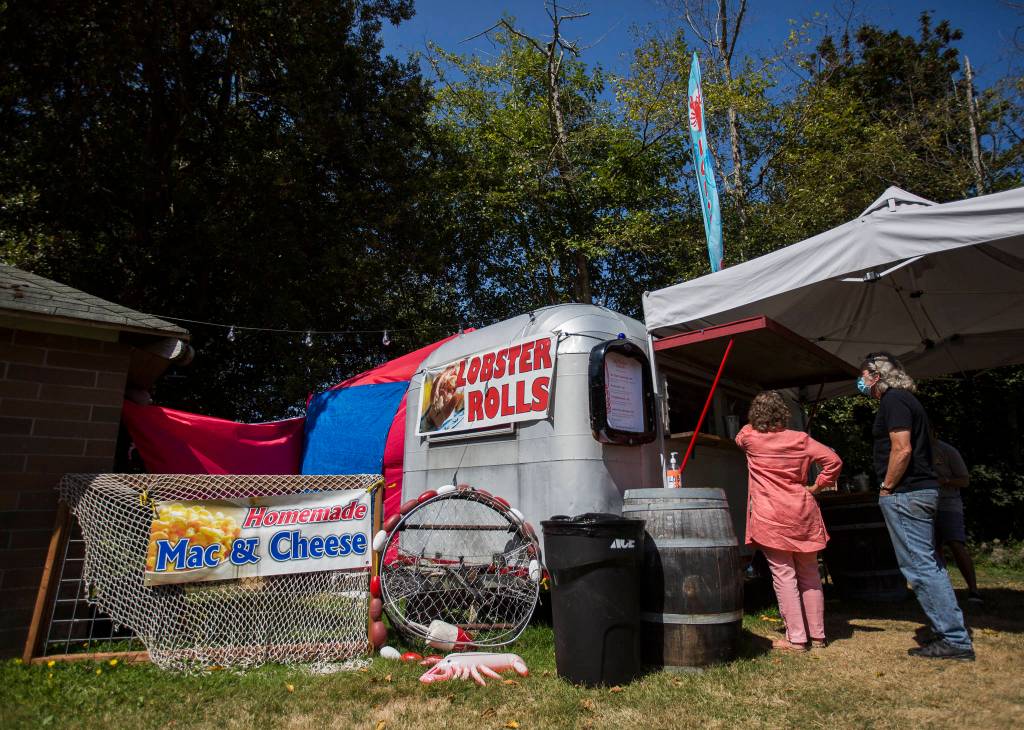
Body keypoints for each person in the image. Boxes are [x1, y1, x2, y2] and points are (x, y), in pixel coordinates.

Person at [858, 352, 975, 661]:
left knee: (920, 567)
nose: (862, 383)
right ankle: (948, 630)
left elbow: (902, 448)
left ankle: (954, 639)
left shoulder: (894, 401)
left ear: (877, 375)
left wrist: (887, 486)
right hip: (919, 491)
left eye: (864, 376)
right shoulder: (906, 400)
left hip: (907, 493)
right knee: (929, 564)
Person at [735, 390, 842, 653]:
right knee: (810, 575)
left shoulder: (750, 438)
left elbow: (740, 435)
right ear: (783, 414)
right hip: (802, 510)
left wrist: (756, 418)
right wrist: (818, 486)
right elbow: (834, 461)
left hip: (771, 514)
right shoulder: (801, 439)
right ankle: (818, 636)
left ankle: (796, 638)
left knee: (784, 576)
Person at [931, 428, 983, 604]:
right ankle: (943, 590)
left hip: (948, 503)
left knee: (956, 544)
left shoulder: (947, 451)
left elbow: (964, 480)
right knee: (933, 549)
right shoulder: (916, 451)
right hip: (926, 505)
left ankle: (973, 589)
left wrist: (945, 481)